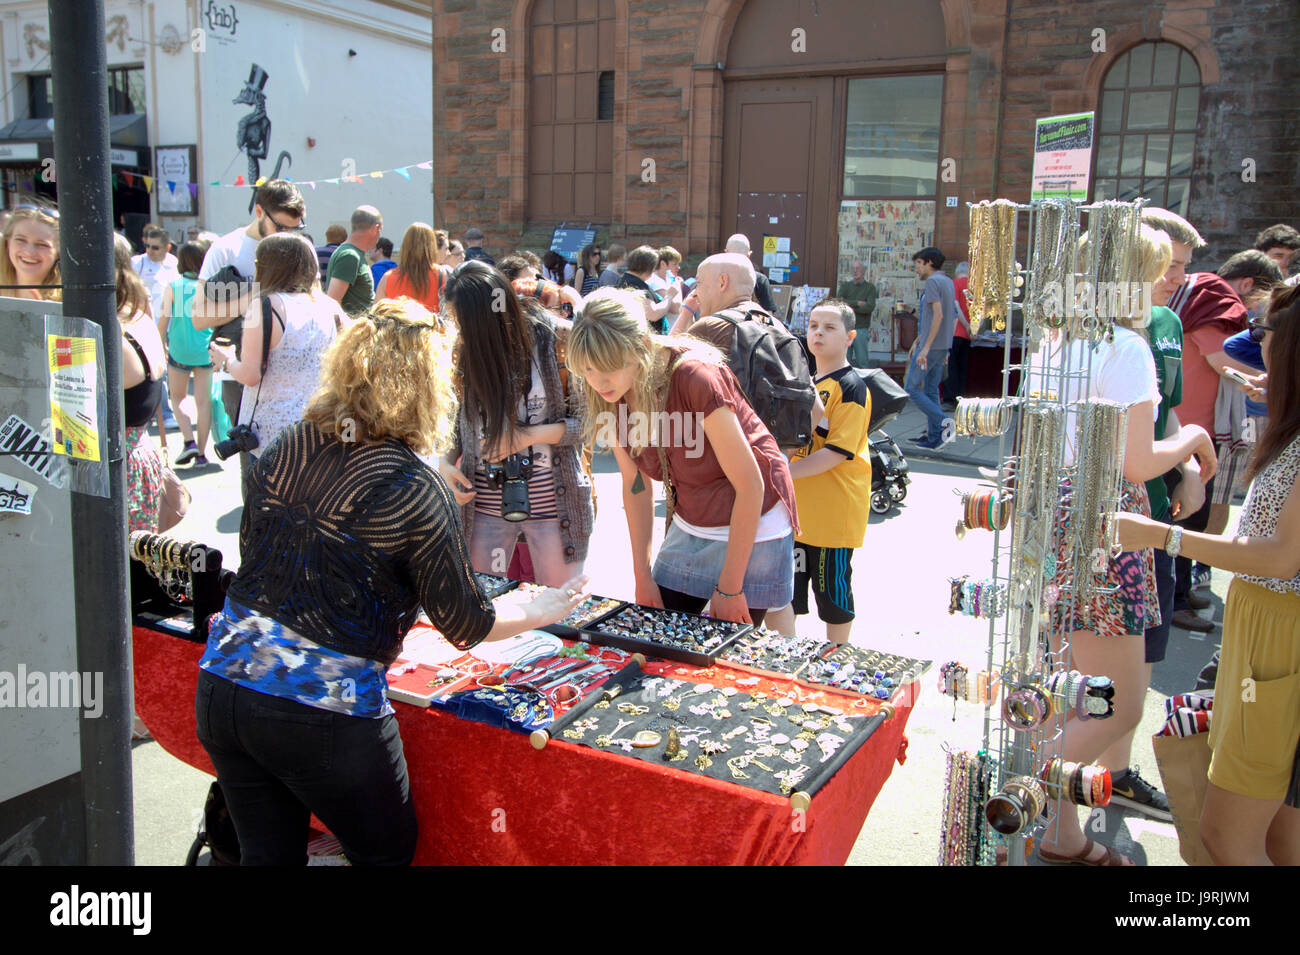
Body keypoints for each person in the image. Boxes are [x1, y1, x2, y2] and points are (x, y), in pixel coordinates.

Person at [195, 297, 588, 866]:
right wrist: (544, 609)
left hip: (224, 686)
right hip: (318, 711)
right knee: (386, 854)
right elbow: (467, 624)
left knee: (267, 857)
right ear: (430, 385)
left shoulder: (288, 444)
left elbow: (264, 558)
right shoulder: (411, 485)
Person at [1034, 224, 1218, 867]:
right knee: (1118, 701)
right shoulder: (1124, 346)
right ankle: (1028, 794)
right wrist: (1194, 436)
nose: (1167, 283)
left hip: (1057, 515)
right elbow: (1136, 462)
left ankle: (1059, 831)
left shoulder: (1057, 340)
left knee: (1072, 686)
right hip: (1106, 522)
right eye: (1157, 271)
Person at [1116, 282, 1300, 866]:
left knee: (1228, 836)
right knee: (1279, 837)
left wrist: (1164, 536)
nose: (1258, 351)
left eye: (1266, 336)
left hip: (1280, 635)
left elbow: (1279, 557)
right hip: (1269, 629)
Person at [569, 288, 798, 626]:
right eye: (587, 369)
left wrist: (731, 589)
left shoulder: (695, 376)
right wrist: (641, 574)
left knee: (725, 645)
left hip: (754, 518)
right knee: (661, 630)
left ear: (643, 348)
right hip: (693, 516)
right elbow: (636, 487)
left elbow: (751, 485)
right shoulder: (606, 393)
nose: (597, 381)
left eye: (609, 368)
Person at [437, 261, 594, 587]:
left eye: (461, 321)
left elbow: (589, 423)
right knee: (484, 608)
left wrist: (526, 437)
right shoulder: (463, 353)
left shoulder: (557, 341)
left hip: (555, 505)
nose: (457, 330)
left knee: (560, 606)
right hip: (483, 505)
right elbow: (456, 425)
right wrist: (445, 461)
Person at [766, 300, 872, 645]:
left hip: (833, 515)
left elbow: (837, 453)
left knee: (833, 594)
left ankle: (837, 656)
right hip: (798, 514)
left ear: (849, 337)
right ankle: (789, 655)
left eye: (829, 328)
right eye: (813, 326)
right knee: (787, 592)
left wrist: (780, 471)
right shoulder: (807, 381)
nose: (818, 333)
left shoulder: (852, 387)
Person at [207, 234, 348, 479]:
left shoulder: (263, 307)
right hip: (322, 428)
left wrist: (226, 359)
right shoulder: (330, 307)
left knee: (272, 511)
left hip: (272, 436)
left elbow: (250, 375)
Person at [114, 233, 167, 532]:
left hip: (120, 468)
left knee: (122, 572)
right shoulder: (137, 315)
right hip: (139, 461)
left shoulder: (112, 328)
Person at [157, 242, 214, 465]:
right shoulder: (209, 286)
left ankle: (188, 441)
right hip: (204, 350)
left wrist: (160, 347)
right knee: (203, 403)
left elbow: (162, 323)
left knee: (177, 398)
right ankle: (201, 454)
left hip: (179, 350)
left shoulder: (173, 286)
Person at [905, 247, 958, 450]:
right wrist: (922, 341)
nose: (916, 268)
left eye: (918, 263)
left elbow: (938, 316)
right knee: (931, 390)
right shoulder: (947, 281)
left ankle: (945, 422)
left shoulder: (934, 282)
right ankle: (935, 435)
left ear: (929, 263)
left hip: (932, 347)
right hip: (941, 345)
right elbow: (949, 317)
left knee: (911, 389)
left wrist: (925, 347)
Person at [376, 222, 447, 313]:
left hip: (398, 326)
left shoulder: (388, 278)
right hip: (431, 326)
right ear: (432, 245)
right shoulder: (441, 274)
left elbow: (376, 315)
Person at [326, 205, 382, 317]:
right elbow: (333, 303)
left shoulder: (352, 254)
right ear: (375, 229)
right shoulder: (350, 256)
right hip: (352, 332)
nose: (379, 236)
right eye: (380, 230)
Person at [0, 204, 61, 301]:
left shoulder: (71, 302)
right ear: (8, 243)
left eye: (42, 244)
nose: (29, 251)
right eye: (21, 240)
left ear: (58, 253)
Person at [617, 244, 680, 334]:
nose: (654, 271)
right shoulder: (635, 285)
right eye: (654, 267)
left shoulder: (625, 280)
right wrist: (669, 296)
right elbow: (653, 314)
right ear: (648, 267)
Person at [132, 227, 181, 319]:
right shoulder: (137, 262)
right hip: (146, 319)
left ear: (168, 248)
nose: (150, 250)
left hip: (169, 321)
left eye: (155, 248)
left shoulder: (174, 262)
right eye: (147, 246)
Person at [836, 259, 877, 370]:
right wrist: (857, 303)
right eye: (853, 268)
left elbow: (869, 307)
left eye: (857, 268)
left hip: (861, 329)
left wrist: (848, 306)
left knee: (862, 362)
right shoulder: (845, 286)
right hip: (845, 328)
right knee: (844, 362)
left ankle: (864, 386)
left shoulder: (870, 288)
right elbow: (838, 302)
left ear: (864, 270)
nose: (855, 271)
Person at [942, 261, 972, 410]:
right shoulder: (974, 288)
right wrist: (972, 329)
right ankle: (961, 398)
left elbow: (955, 306)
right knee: (962, 368)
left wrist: (965, 324)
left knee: (951, 367)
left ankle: (949, 399)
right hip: (968, 335)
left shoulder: (954, 284)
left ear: (956, 272)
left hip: (954, 331)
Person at [724, 233, 778, 314]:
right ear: (748, 255)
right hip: (750, 325)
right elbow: (768, 315)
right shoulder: (760, 280)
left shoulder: (716, 278)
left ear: (726, 252)